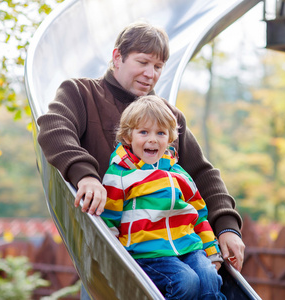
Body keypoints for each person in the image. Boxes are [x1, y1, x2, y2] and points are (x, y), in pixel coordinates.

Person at [37, 21, 245, 296]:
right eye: (143, 62)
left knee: (200, 282)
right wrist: (84, 174)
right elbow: (53, 126)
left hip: (173, 247)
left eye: (158, 67)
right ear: (117, 58)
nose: (150, 74)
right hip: (114, 257)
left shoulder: (167, 118)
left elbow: (203, 174)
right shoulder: (82, 93)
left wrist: (228, 227)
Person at [100, 95, 226, 299]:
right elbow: (108, 221)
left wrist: (211, 249)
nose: (152, 139)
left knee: (209, 277)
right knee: (186, 282)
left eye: (160, 133)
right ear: (127, 137)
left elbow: (199, 215)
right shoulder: (120, 175)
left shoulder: (178, 173)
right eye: (143, 132)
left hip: (188, 246)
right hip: (148, 254)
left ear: (169, 138)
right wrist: (117, 260)